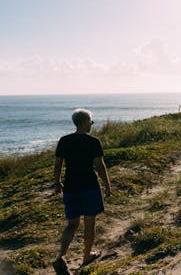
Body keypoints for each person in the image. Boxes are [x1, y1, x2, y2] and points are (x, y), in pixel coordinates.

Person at [52, 109, 111, 274]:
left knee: (72, 224)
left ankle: (61, 256)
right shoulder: (93, 142)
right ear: (85, 121)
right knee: (89, 223)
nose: (92, 125)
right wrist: (107, 185)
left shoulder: (64, 141)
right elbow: (99, 166)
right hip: (90, 187)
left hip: (71, 187)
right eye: (91, 122)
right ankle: (86, 257)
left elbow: (58, 165)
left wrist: (57, 183)